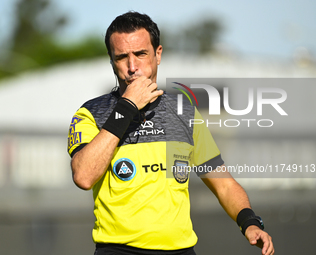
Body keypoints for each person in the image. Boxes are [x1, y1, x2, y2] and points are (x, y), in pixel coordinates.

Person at [67, 11, 274, 255]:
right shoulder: (90, 114)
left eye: (141, 54)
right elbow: (83, 176)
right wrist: (127, 108)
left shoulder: (185, 112)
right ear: (112, 61)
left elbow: (224, 185)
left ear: (158, 54)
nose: (132, 67)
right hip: (118, 250)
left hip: (181, 250)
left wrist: (249, 222)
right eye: (122, 57)